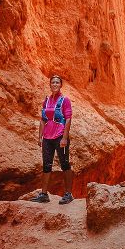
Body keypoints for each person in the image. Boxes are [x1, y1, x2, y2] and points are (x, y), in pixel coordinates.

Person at [34, 74, 73, 204]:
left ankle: (68, 194)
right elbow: (42, 120)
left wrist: (65, 138)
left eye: (57, 82)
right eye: (53, 82)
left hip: (60, 136)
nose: (55, 84)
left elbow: (68, 119)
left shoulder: (64, 100)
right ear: (50, 85)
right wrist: (40, 137)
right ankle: (44, 194)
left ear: (60, 85)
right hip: (47, 138)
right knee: (46, 165)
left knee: (65, 164)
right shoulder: (47, 100)